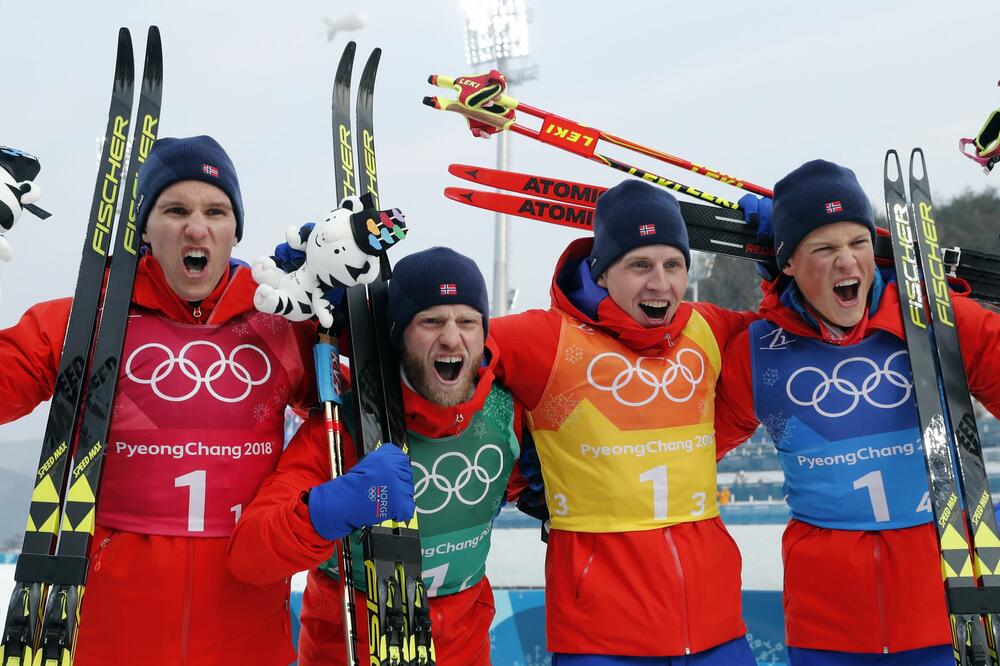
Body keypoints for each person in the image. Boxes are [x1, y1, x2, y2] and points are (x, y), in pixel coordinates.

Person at [0, 135, 322, 665]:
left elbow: (358, 415)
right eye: (175, 210)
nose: (197, 227)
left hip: (244, 630)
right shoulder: (88, 318)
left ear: (234, 230)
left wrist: (351, 309)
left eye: (216, 211)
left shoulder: (282, 325)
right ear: (145, 229)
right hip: (111, 631)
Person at [715, 159, 1000, 665]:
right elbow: (686, 443)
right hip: (825, 630)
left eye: (858, 243)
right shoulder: (760, 353)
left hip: (945, 615)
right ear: (788, 263)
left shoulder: (940, 325)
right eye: (823, 249)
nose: (847, 261)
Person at [487, 179, 757, 664]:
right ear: (603, 272)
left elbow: (802, 336)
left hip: (716, 630)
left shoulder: (708, 328)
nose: (660, 283)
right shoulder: (549, 339)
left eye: (673, 264)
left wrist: (785, 259)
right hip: (600, 639)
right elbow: (447, 346)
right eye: (639, 265)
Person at [226, 246, 523, 666]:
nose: (452, 337)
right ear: (399, 335)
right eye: (431, 321)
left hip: (465, 647)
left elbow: (530, 485)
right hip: (349, 648)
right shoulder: (345, 426)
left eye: (468, 321)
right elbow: (249, 557)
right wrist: (329, 509)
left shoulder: (505, 413)